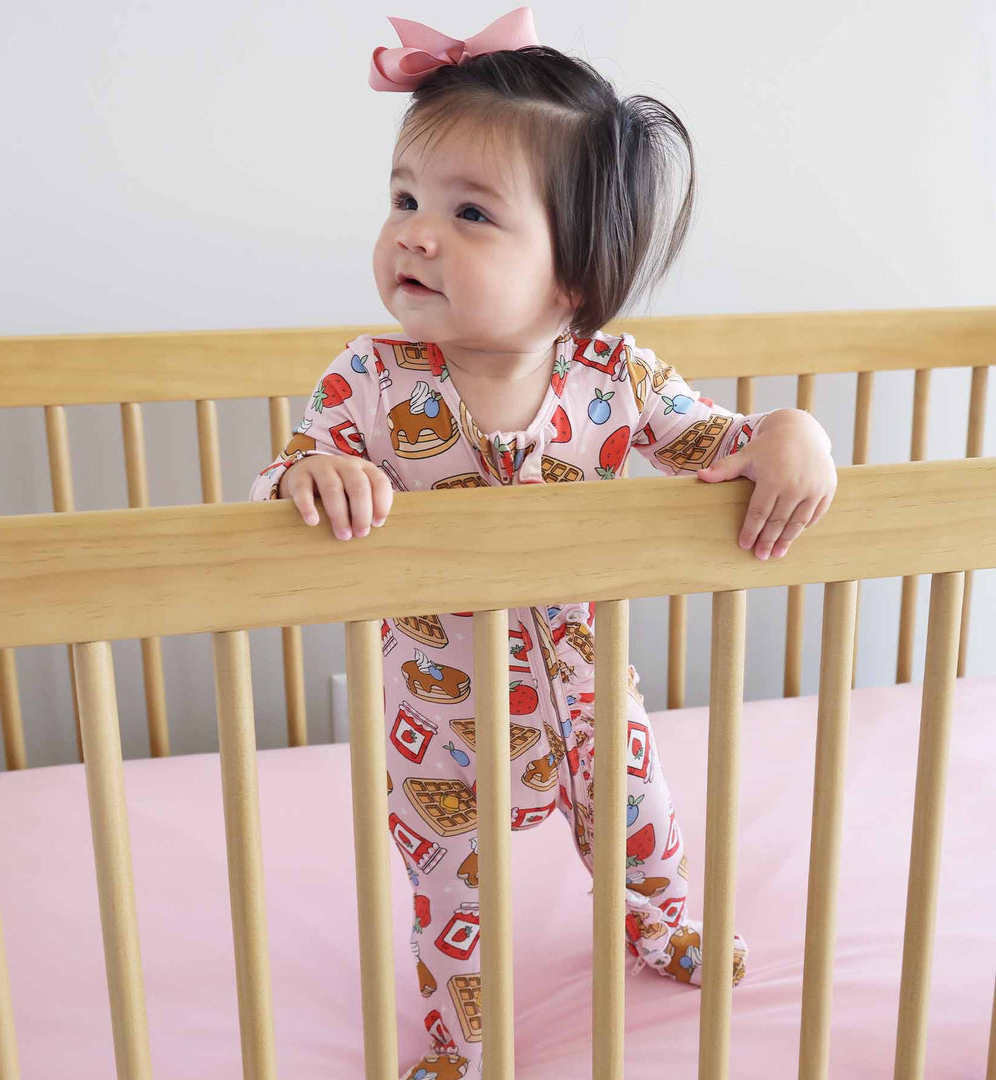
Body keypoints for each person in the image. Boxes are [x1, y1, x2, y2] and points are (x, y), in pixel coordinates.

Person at [249, 8, 837, 1078]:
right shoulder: (371, 382)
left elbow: (719, 441)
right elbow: (287, 470)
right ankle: (464, 1044)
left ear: (574, 277)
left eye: (472, 213)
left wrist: (789, 433)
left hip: (590, 686)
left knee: (644, 828)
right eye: (405, 199)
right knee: (450, 892)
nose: (417, 232)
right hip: (438, 714)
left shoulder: (618, 380)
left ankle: (659, 929)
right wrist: (311, 475)